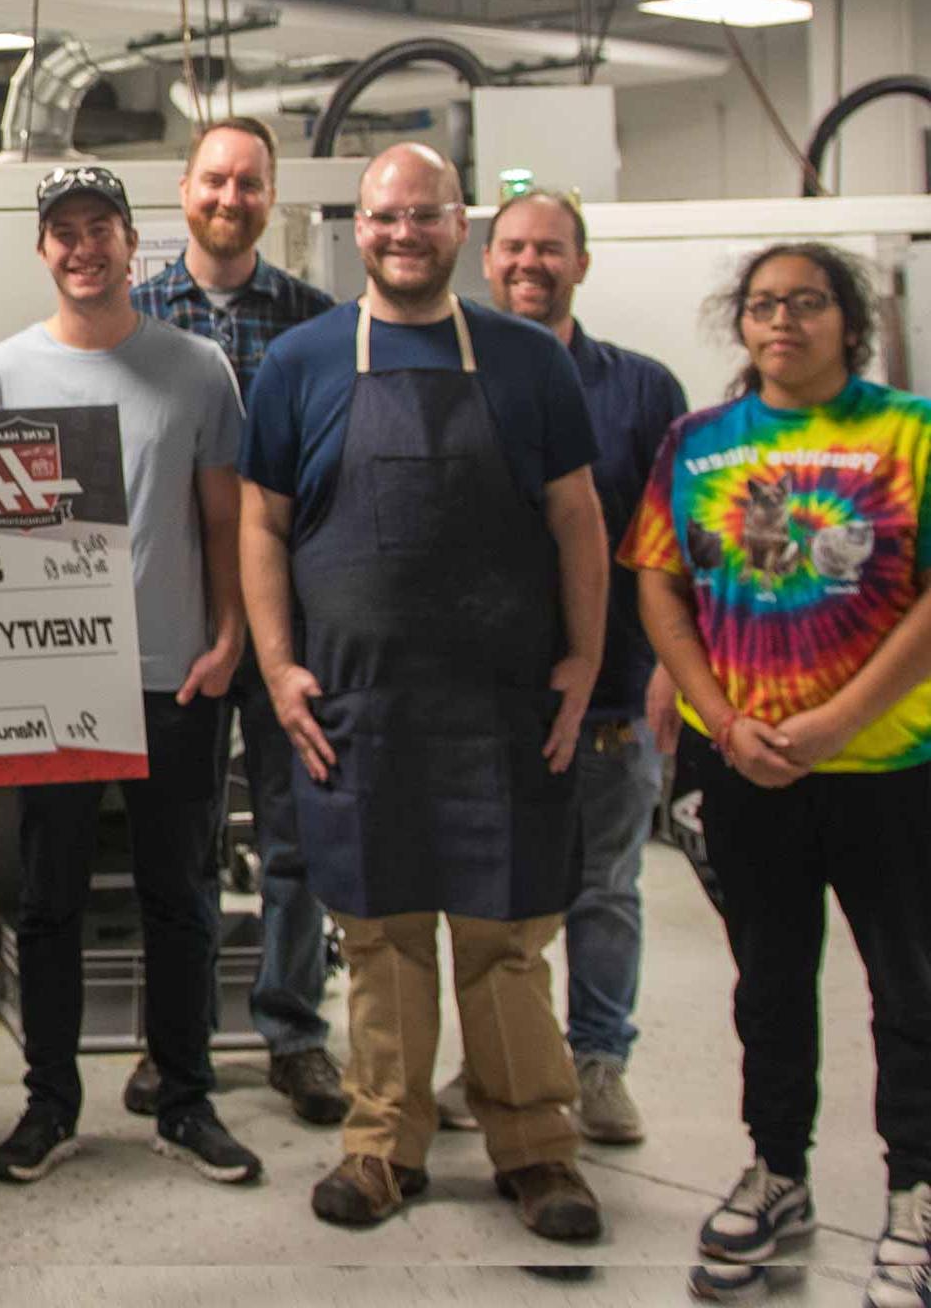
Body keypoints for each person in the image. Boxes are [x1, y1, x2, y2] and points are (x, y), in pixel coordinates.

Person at [240, 143, 608, 1240]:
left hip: (503, 714)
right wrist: (275, 662)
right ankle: (379, 1146)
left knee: (503, 943)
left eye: (425, 215)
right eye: (383, 217)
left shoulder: (526, 362)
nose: (403, 233)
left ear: (462, 227)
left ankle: (535, 1148)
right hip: (358, 712)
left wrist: (584, 659)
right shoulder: (299, 362)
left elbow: (577, 517)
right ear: (358, 227)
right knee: (379, 940)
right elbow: (258, 524)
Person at [619, 243, 931, 1307]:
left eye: (805, 302)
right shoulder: (696, 442)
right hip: (744, 761)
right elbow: (659, 585)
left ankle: (915, 1194)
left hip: (888, 764)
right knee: (768, 983)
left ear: (848, 319)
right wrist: (715, 714)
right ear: (738, 325)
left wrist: (838, 717)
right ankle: (777, 1168)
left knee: (910, 987)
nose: (780, 321)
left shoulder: (909, 432)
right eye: (760, 305)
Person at [0, 165, 261, 1189]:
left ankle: (184, 1101)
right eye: (62, 231)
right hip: (53, 682)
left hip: (172, 675)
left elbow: (222, 519)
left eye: (99, 227)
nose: (81, 246)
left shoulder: (196, 369)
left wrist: (228, 635)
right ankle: (49, 1104)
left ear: (131, 241)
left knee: (177, 894)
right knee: (45, 899)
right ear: (40, 248)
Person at [428, 191, 686, 1148]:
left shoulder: (642, 389)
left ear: (583, 263)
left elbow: (674, 545)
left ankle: (599, 1061)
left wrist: (667, 668)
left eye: (551, 248)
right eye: (514, 248)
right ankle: (497, 1062)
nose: (530, 263)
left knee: (606, 887)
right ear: (485, 262)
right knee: (496, 897)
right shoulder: (449, 376)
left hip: (615, 689)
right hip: (486, 697)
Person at [127, 116, 345, 1129]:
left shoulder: (318, 325)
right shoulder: (128, 316)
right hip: (172, 622)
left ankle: (293, 1029)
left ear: (270, 197)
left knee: (296, 836)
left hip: (292, 624)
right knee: (178, 845)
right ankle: (166, 1035)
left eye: (248, 182)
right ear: (182, 191)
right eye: (213, 179)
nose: (228, 196)